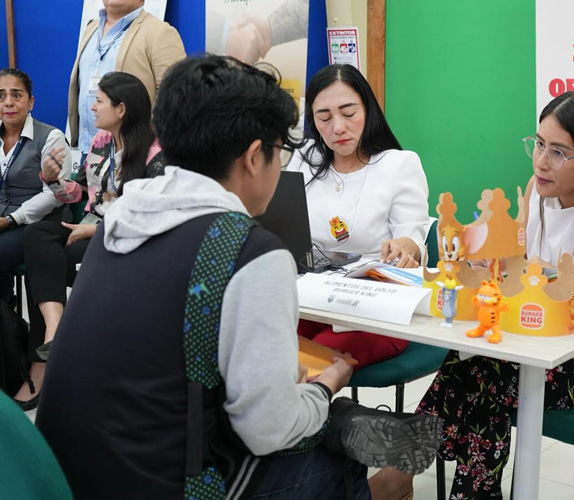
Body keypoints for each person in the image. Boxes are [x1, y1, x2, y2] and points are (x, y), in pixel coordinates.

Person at [37, 55, 440, 500]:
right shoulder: (248, 252)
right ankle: (347, 433)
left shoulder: (121, 218)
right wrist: (325, 389)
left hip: (68, 472)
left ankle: (341, 422)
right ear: (254, 157)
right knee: (329, 449)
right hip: (173, 485)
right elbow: (269, 431)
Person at [369, 91, 574, 500]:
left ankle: (403, 475)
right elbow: (518, 262)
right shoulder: (537, 191)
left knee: (487, 375)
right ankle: (425, 480)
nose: (541, 161)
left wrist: (559, 275)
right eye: (539, 144)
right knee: (473, 362)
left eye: (559, 152)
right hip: (538, 340)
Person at [22, 71, 165, 393]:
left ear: (122, 109)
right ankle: (55, 330)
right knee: (36, 237)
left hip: (125, 234)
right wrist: (52, 179)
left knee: (50, 264)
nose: (92, 108)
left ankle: (47, 363)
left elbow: (147, 213)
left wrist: (96, 231)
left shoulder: (155, 152)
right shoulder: (101, 142)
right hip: (87, 223)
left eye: (99, 101)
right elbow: (81, 193)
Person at [288, 63, 429, 369]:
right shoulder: (303, 160)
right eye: (324, 118)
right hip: (309, 302)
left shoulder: (398, 165)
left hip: (371, 312)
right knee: (263, 347)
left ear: (368, 110)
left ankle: (328, 416)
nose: (337, 127)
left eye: (348, 113)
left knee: (303, 364)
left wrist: (408, 246)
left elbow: (413, 238)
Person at [0, 68, 70, 409]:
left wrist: (10, 218)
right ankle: (8, 342)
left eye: (16, 95)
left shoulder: (51, 136)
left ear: (31, 101)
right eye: (0, 96)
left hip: (34, 225)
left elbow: (53, 196)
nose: (7, 102)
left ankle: (27, 357)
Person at [68, 0, 185, 161]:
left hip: (134, 152)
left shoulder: (159, 32)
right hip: (88, 149)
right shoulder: (91, 28)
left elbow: (175, 96)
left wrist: (147, 140)